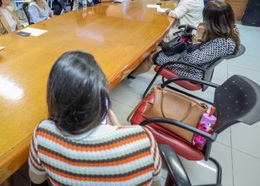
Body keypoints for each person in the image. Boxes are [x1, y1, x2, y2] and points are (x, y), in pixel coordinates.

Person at [29, 51, 162, 185]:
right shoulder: (143, 141)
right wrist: (120, 129)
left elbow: (36, 179)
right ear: (101, 98)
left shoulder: (42, 135)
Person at [154, 1, 240, 80]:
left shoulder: (222, 42)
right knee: (159, 51)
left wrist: (197, 37)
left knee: (152, 56)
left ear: (213, 21)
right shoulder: (230, 30)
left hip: (191, 70)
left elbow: (191, 59)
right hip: (193, 63)